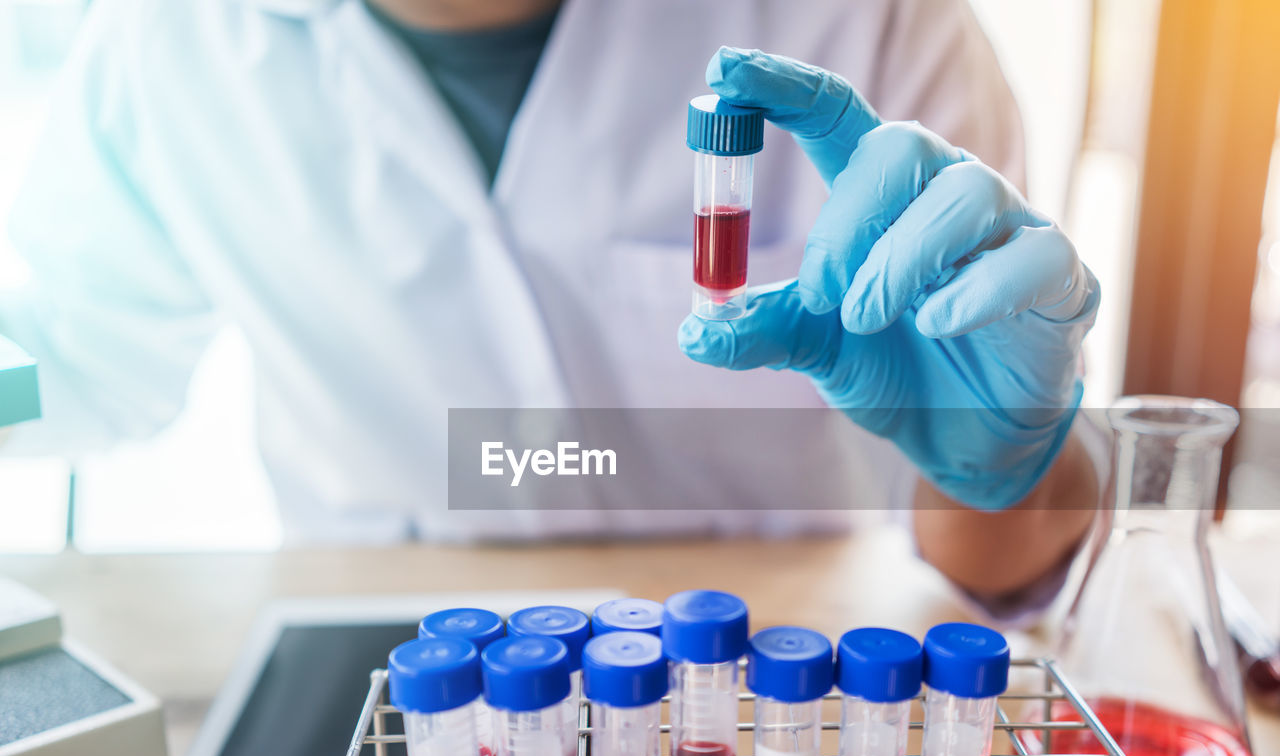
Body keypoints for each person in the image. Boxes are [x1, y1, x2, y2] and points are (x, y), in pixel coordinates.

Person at [0, 0, 1098, 603]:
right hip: (384, 682)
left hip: (777, 665)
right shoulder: (164, 45)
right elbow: (84, 366)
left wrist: (1007, 464)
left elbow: (1002, 559)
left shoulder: (872, 24)